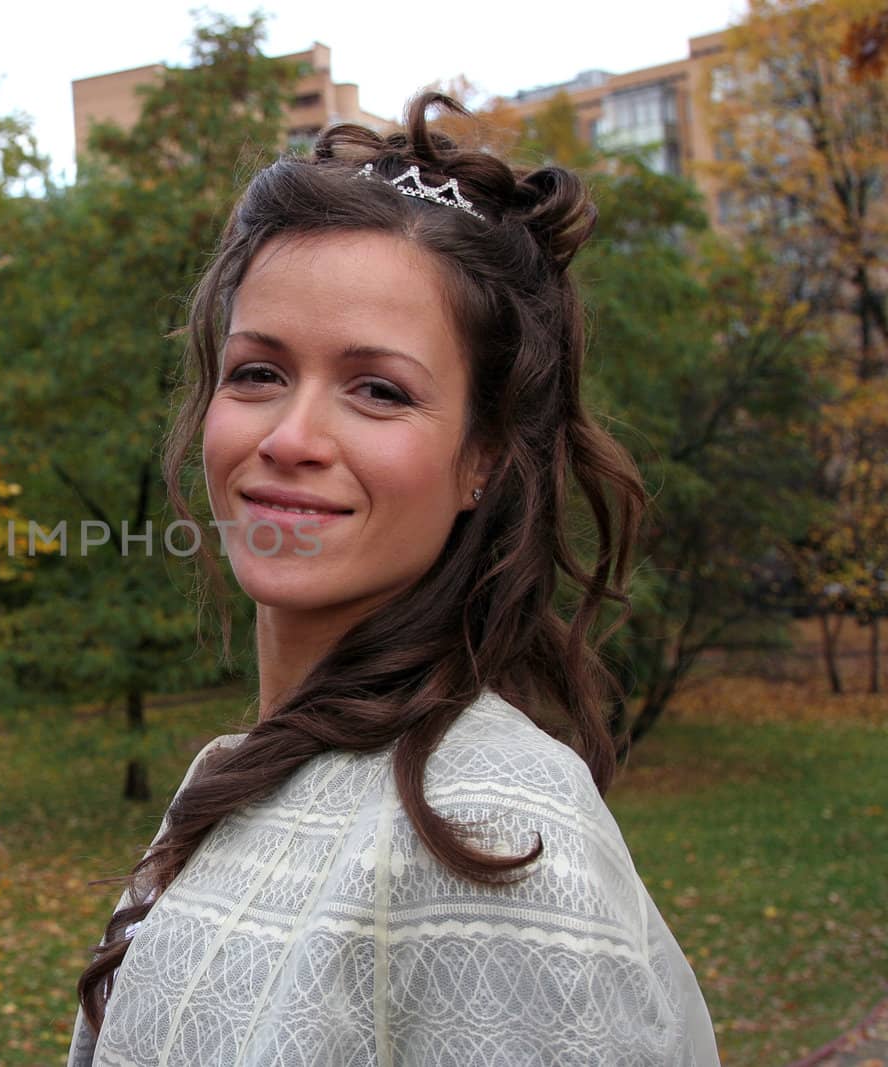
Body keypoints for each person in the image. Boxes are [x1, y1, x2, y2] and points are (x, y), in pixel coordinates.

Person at [69, 94, 718, 1065]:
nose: (289, 437)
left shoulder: (491, 829)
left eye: (378, 389)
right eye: (256, 373)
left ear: (482, 455)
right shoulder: (230, 775)